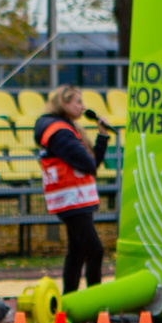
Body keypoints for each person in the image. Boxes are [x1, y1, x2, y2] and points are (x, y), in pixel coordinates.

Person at [35, 85, 112, 293]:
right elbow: (88, 165)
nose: (82, 107)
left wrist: (102, 137)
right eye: (78, 102)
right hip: (71, 198)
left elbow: (92, 165)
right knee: (95, 250)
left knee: (77, 251)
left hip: (74, 198)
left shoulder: (65, 129)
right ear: (64, 103)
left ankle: (69, 301)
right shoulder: (60, 132)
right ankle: (93, 300)